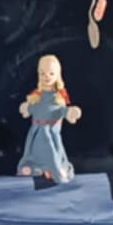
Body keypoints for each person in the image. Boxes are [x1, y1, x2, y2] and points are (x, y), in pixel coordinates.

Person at [17, 54, 81, 183]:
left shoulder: (58, 97)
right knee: (34, 152)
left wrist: (70, 112)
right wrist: (26, 108)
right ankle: (34, 167)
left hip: (50, 134)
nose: (47, 76)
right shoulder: (37, 96)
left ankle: (56, 170)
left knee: (52, 153)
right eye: (43, 73)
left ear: (57, 75)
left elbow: (62, 110)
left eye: (51, 73)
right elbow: (32, 108)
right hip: (36, 133)